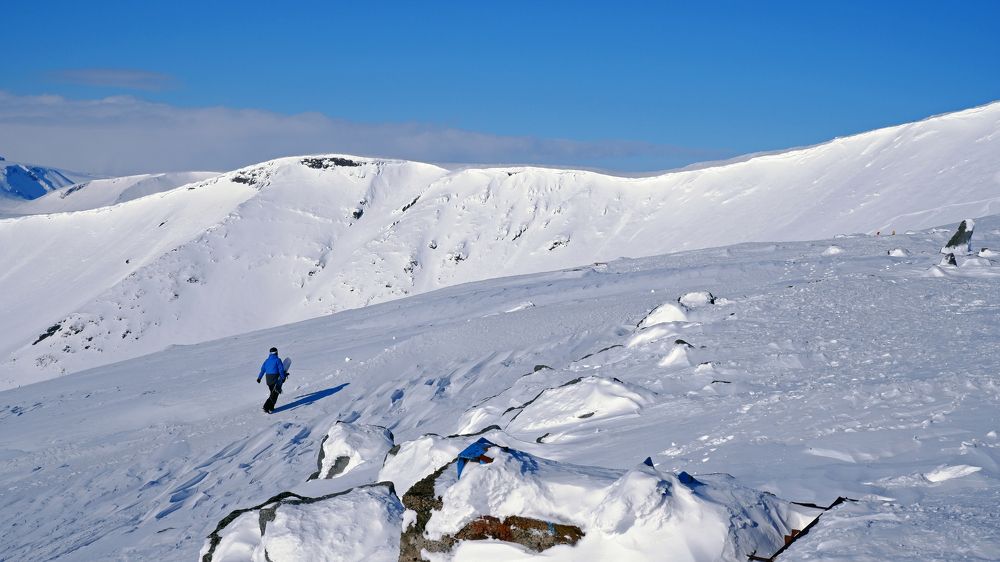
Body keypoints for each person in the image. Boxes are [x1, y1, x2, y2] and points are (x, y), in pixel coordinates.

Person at [257, 347, 287, 413]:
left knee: (273, 392)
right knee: (274, 393)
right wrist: (283, 377)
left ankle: (271, 407)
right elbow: (281, 370)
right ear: (276, 352)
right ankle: (266, 407)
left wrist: (259, 378)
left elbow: (262, 370)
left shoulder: (266, 360)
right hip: (274, 378)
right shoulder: (278, 360)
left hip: (268, 379)